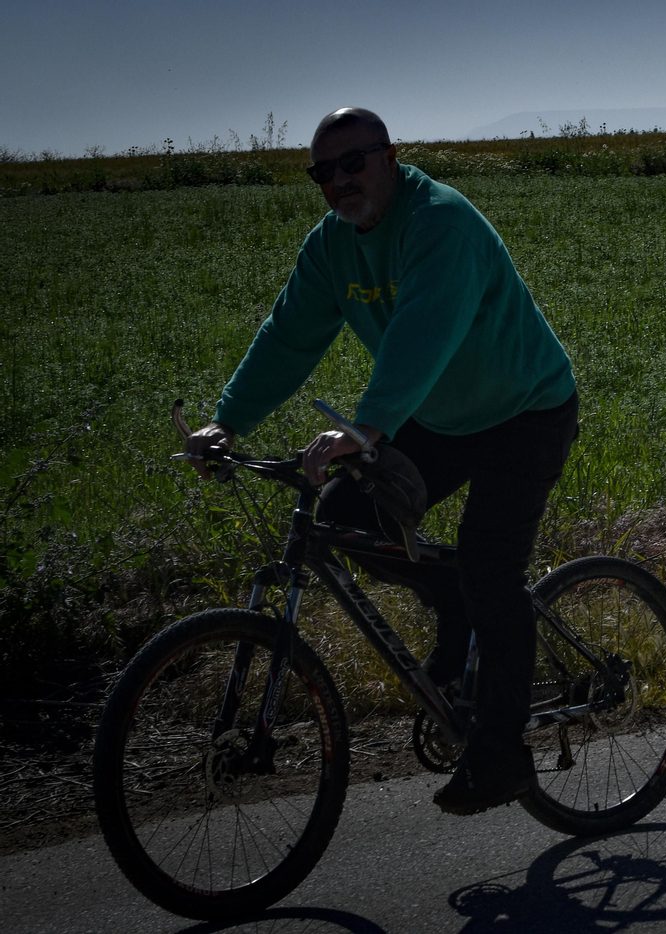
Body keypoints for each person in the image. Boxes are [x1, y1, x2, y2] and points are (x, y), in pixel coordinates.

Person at [183, 107, 578, 816]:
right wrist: (227, 422)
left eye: (353, 163)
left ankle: (502, 753)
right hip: (441, 419)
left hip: (526, 412)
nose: (339, 181)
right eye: (323, 172)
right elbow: (289, 335)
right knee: (343, 515)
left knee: (493, 566)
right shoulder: (334, 244)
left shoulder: (440, 223)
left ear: (390, 157)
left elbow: (424, 332)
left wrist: (366, 429)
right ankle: (454, 605)